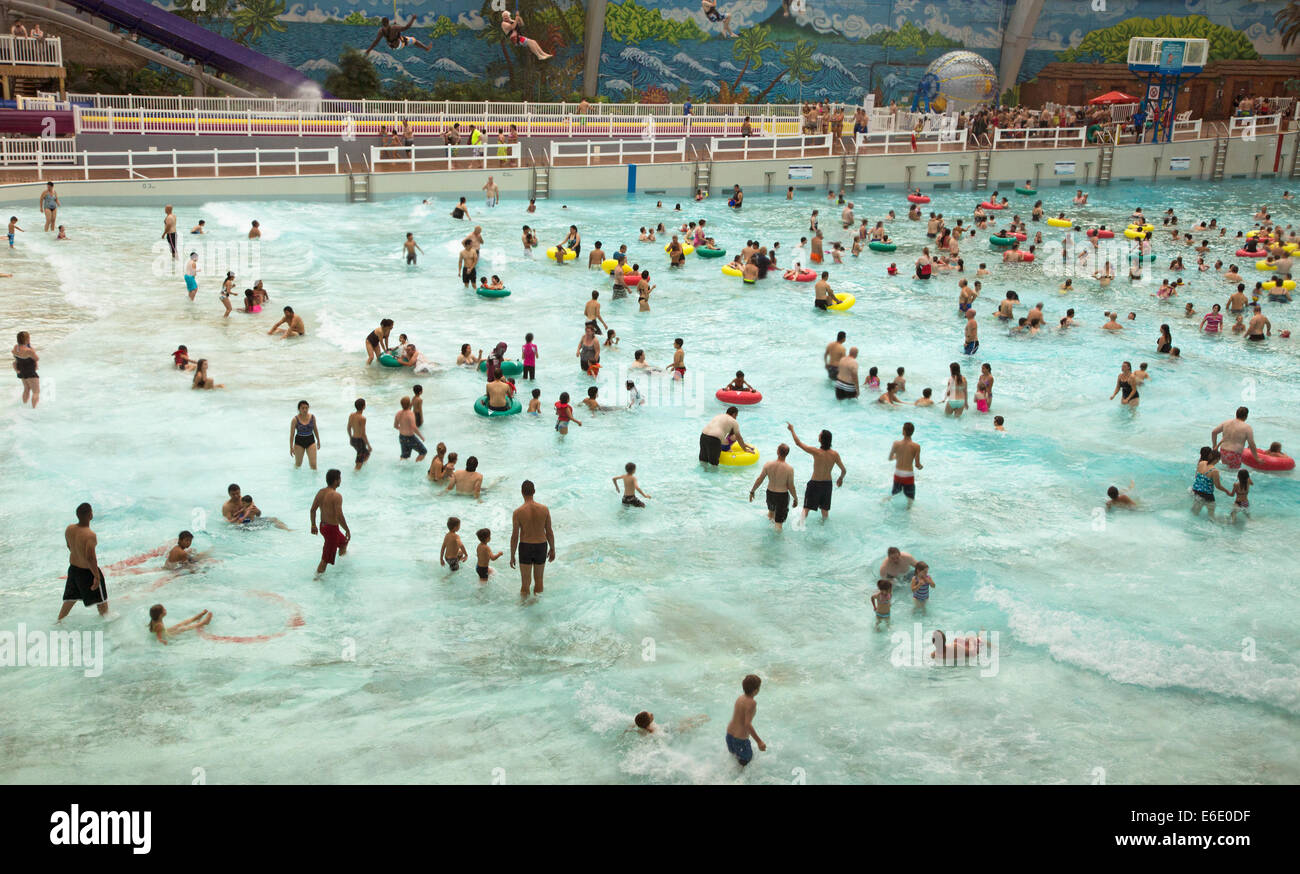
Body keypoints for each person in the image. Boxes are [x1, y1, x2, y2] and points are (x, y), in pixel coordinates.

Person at [58, 503, 108, 621]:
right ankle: (107, 624)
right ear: (90, 515)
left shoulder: (69, 529)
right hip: (87, 572)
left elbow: (69, 546)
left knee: (70, 599)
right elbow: (90, 558)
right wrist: (96, 576)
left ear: (77, 515)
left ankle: (58, 621)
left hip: (73, 569)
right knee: (102, 602)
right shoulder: (90, 535)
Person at [787, 423, 846, 522]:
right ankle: (825, 531)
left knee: (806, 509)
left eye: (819, 435)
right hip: (827, 485)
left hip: (815, 484)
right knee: (825, 512)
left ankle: (799, 527)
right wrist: (840, 478)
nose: (818, 436)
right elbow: (844, 470)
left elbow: (798, 443)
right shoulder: (835, 454)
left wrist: (792, 430)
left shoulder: (816, 452)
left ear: (821, 439)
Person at [510, 480, 555, 599]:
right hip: (541, 545)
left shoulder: (518, 512)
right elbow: (549, 531)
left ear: (522, 492)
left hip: (525, 546)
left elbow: (515, 536)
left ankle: (524, 608)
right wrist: (552, 548)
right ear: (534, 491)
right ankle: (537, 610)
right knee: (539, 580)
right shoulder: (544, 509)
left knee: (525, 582)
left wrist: (512, 555)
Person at [749, 443, 798, 531]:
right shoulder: (789, 469)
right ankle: (777, 540)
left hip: (770, 494)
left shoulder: (768, 464)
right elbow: (791, 486)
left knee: (771, 513)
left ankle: (768, 530)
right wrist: (795, 498)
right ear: (787, 454)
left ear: (777, 451)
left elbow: (759, 479)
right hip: (782, 496)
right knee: (779, 522)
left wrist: (752, 491)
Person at [310, 470, 350, 575]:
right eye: (340, 478)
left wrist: (313, 525)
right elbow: (339, 515)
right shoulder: (336, 496)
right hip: (331, 529)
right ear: (336, 481)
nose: (340, 480)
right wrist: (347, 529)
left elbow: (312, 510)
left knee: (343, 542)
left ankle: (341, 568)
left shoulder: (321, 492)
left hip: (323, 526)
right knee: (326, 559)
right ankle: (316, 579)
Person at [724, 674, 766, 767]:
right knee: (746, 762)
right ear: (756, 690)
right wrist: (759, 741)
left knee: (735, 759)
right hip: (740, 740)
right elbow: (747, 724)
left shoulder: (740, 698)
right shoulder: (752, 703)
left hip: (729, 735)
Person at [1210, 406, 1258, 471]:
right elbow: (1252, 444)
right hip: (1235, 454)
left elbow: (1214, 432)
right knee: (1233, 474)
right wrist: (1256, 458)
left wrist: (1214, 446)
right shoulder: (1247, 428)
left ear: (1236, 414)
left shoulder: (1226, 423)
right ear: (1246, 416)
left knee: (1225, 470)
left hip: (1223, 452)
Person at [886, 422, 922, 507]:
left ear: (903, 432)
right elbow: (917, 465)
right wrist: (921, 467)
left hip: (898, 474)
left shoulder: (896, 444)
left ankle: (883, 502)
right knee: (910, 499)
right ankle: (908, 511)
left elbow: (890, 458)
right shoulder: (916, 446)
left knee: (894, 495)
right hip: (908, 475)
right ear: (912, 432)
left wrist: (897, 456)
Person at [365, 15, 431, 54]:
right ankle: (426, 48)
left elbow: (376, 42)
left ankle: (426, 48)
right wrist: (413, 19)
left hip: (391, 47)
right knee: (414, 40)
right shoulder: (394, 28)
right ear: (388, 22)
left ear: (382, 23)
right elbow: (406, 27)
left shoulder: (381, 31)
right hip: (399, 45)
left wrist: (368, 50)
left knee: (401, 37)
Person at [147, 605, 212, 644]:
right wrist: (162, 641)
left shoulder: (154, 619)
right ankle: (204, 622)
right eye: (164, 610)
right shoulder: (159, 625)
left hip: (165, 631)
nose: (165, 609)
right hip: (168, 636)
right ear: (160, 615)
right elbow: (159, 637)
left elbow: (158, 631)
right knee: (182, 628)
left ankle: (197, 617)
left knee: (180, 624)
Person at [289, 400, 320, 469]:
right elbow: (292, 434)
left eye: (306, 408)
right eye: (303, 408)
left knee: (313, 465)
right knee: (298, 464)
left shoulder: (312, 417)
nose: (305, 410)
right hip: (299, 442)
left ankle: (314, 479)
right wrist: (291, 447)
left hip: (310, 440)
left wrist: (318, 440)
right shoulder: (295, 419)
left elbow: (315, 429)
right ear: (299, 409)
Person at [394, 396, 427, 461]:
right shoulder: (410, 414)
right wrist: (421, 437)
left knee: (404, 456)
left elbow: (395, 426)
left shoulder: (398, 413)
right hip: (410, 438)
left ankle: (401, 467)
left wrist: (402, 428)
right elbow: (414, 427)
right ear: (409, 404)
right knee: (423, 451)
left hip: (402, 437)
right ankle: (417, 464)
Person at [12, 330, 39, 408]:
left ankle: (24, 406)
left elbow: (15, 355)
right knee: (36, 392)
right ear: (27, 339)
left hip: (21, 371)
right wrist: (31, 349)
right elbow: (36, 358)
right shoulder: (29, 351)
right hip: (30, 372)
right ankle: (34, 409)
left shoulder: (16, 347)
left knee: (26, 389)